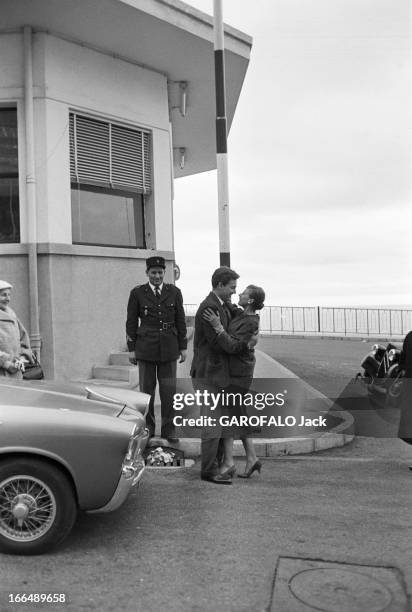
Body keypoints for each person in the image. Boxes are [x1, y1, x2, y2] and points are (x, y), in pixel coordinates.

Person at [190, 266, 250, 484]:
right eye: (232, 287)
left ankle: (217, 464)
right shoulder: (209, 308)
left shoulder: (222, 305)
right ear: (220, 285)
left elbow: (239, 316)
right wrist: (236, 344)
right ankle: (209, 470)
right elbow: (218, 345)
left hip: (218, 376)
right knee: (212, 425)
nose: (234, 291)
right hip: (208, 375)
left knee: (220, 423)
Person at [202, 285, 265, 479]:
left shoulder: (250, 322)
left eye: (244, 293)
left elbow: (234, 346)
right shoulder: (240, 313)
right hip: (233, 370)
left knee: (230, 415)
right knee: (237, 414)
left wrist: (218, 327)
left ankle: (229, 463)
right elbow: (227, 303)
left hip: (240, 372)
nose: (239, 293)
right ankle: (251, 459)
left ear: (251, 300)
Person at [126, 257, 187, 443]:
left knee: (169, 392)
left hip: (169, 348)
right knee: (147, 392)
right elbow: (131, 322)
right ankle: (149, 428)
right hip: (146, 348)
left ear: (164, 273)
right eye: (153, 273)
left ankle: (169, 429)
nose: (157, 276)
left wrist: (183, 347)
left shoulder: (174, 292)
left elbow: (180, 320)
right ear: (147, 273)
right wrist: (132, 349)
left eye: (160, 272)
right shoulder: (138, 293)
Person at [0, 280, 33, 378]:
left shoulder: (11, 314)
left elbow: (23, 339)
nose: (8, 299)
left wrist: (22, 358)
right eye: (3, 295)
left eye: (9, 295)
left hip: (16, 373)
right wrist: (5, 363)